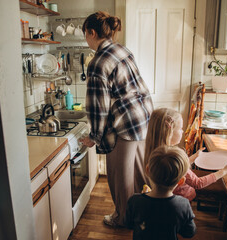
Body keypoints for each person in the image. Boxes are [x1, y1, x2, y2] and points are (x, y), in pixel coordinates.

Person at [79, 11, 154, 227]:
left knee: (121, 176)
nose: (87, 40)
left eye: (86, 34)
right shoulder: (122, 49)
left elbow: (98, 107)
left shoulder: (97, 63)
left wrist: (94, 136)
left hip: (125, 123)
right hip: (144, 115)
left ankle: (124, 218)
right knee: (140, 172)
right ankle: (145, 213)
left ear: (92, 32)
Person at [144, 108, 227, 201]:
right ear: (169, 132)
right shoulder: (174, 156)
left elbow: (177, 167)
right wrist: (223, 172)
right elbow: (198, 183)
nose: (182, 131)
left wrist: (194, 157)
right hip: (181, 199)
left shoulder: (156, 154)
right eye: (180, 128)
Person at [125, 145, 196, 240]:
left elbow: (128, 224)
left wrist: (142, 197)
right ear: (181, 181)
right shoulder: (183, 204)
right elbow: (189, 232)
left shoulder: (134, 201)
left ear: (147, 170)